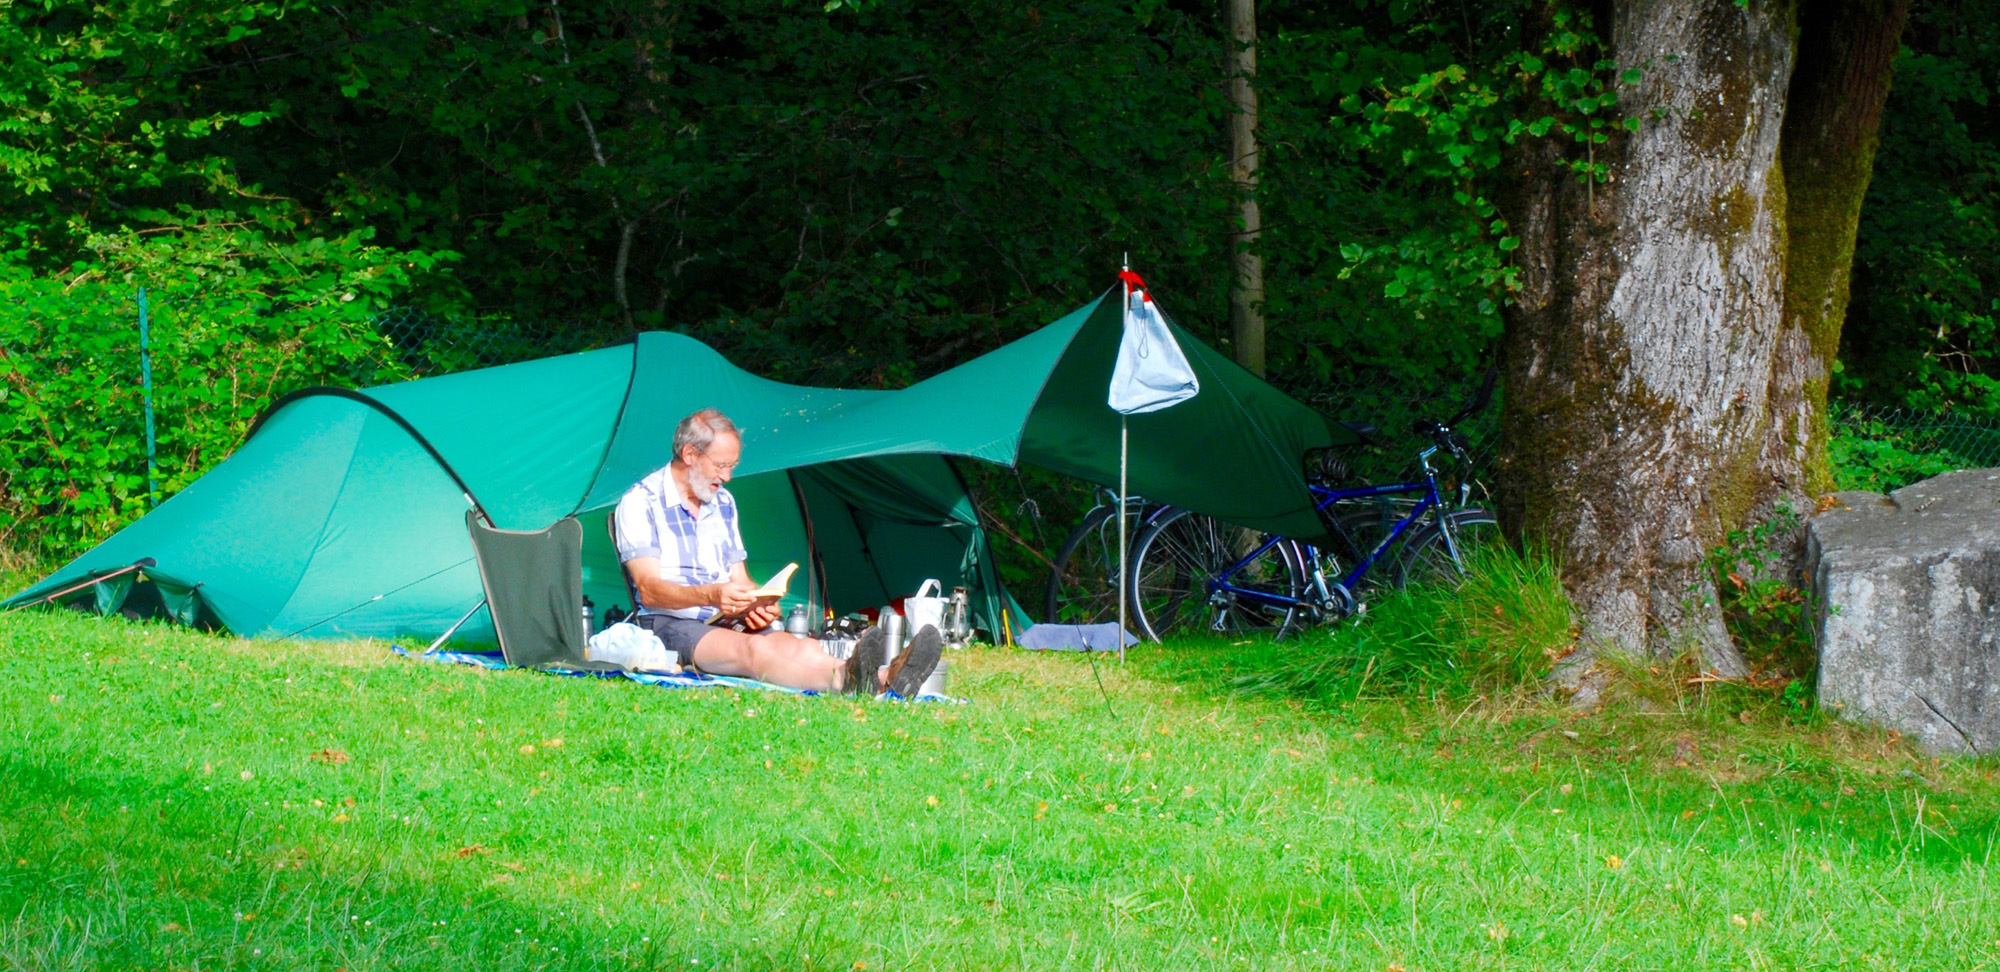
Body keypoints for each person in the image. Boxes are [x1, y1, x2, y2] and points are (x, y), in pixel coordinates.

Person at [613, 407, 941, 696]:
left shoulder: (722, 503)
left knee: (796, 644)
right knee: (754, 650)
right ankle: (846, 681)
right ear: (689, 454)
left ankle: (883, 677)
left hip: (722, 618)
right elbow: (649, 590)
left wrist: (756, 603)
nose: (726, 477)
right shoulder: (641, 502)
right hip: (670, 625)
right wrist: (712, 595)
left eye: (733, 465)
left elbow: (739, 579)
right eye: (720, 465)